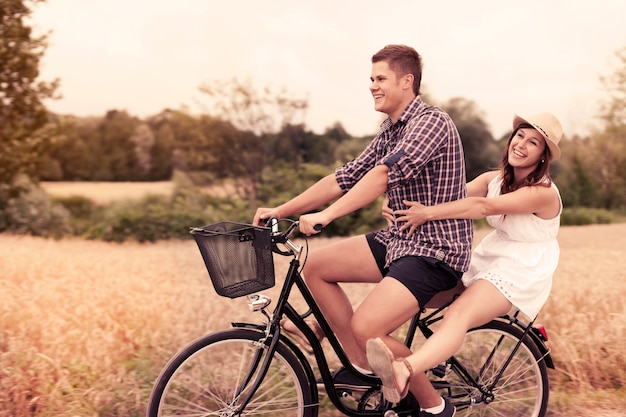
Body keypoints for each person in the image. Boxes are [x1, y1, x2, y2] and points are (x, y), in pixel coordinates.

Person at [254, 44, 472, 417]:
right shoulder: (391, 128)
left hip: (435, 251)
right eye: (371, 79)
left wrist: (328, 216)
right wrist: (283, 209)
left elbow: (384, 175)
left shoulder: (431, 123)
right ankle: (364, 367)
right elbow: (345, 176)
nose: (372, 85)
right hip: (400, 241)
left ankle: (435, 408)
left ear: (407, 81)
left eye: (381, 78)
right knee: (318, 268)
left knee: (369, 326)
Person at [366, 112, 564, 415]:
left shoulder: (543, 193)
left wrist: (427, 215)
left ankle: (406, 368)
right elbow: (442, 195)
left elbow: (482, 207)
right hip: (490, 255)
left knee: (459, 313)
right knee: (414, 289)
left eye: (533, 142)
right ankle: (370, 346)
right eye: (520, 136)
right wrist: (396, 198)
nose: (522, 144)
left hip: (519, 269)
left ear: (542, 156)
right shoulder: (493, 180)